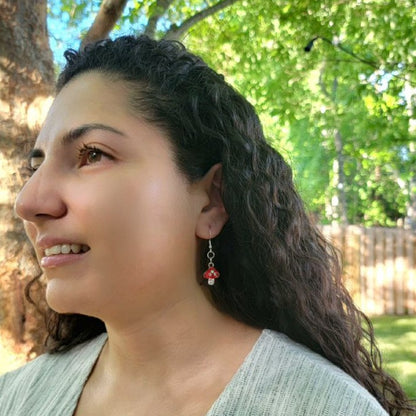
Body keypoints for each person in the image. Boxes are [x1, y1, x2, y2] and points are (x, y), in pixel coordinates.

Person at [0, 35, 413, 416]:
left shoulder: (326, 408)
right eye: (35, 167)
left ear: (212, 201)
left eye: (92, 154)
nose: (29, 203)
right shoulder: (15, 398)